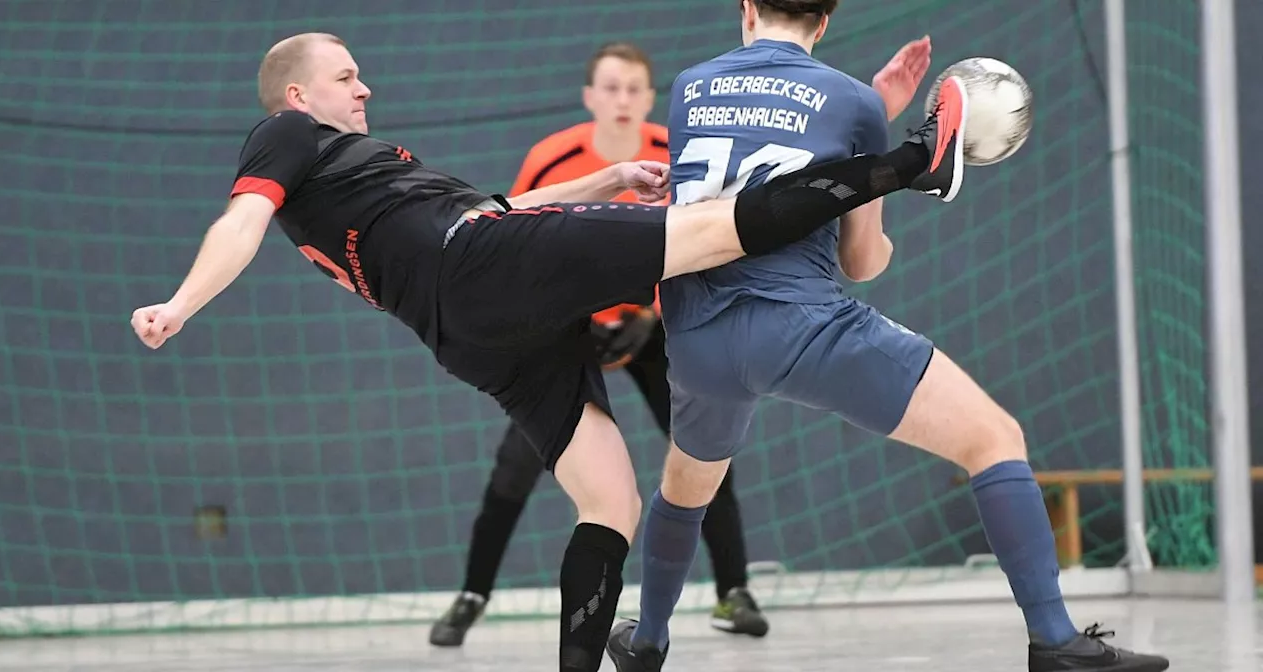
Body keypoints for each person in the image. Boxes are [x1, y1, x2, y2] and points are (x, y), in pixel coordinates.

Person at [127, 31, 963, 672]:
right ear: (298, 94)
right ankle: (909, 163)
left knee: (611, 503)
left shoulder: (352, 177)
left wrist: (595, 184)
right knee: (711, 234)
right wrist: (180, 303)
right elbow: (240, 221)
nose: (365, 85)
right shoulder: (284, 134)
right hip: (479, 268)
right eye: (347, 76)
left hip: (468, 332)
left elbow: (498, 206)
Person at [604, 3, 1169, 672]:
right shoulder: (850, 101)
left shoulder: (690, 86)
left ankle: (647, 643)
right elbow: (860, 261)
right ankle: (1054, 643)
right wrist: (872, 122)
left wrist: (865, 111)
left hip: (696, 338)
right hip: (798, 329)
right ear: (827, 19)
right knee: (994, 439)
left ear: (748, 7)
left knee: (688, 483)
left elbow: (754, 143)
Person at [428, 42, 767, 649]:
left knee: (704, 450)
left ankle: (734, 590)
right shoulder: (552, 158)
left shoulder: (681, 153)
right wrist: (574, 318)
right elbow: (512, 244)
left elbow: (709, 240)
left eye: (634, 88)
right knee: (516, 465)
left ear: (649, 96)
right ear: (590, 97)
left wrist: (649, 312)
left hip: (656, 323)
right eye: (610, 88)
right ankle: (472, 594)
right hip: (566, 328)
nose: (622, 99)